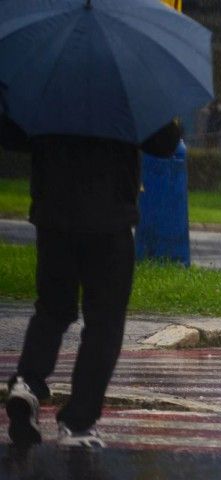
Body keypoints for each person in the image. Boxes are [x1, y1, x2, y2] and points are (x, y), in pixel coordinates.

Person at [1, 114, 181, 449]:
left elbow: (12, 134)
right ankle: (78, 422)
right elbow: (164, 143)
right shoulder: (126, 86)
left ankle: (27, 382)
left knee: (52, 309)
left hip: (53, 215)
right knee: (105, 322)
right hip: (109, 219)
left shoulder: (49, 81)